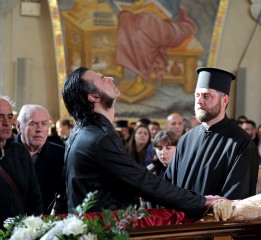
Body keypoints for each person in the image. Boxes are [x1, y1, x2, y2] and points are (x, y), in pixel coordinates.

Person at [62, 67, 227, 219]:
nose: (111, 78)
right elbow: (143, 182)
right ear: (93, 97)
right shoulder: (99, 138)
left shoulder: (80, 133)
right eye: (102, 78)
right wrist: (200, 201)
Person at [165, 67, 259, 200]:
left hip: (214, 220)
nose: (199, 101)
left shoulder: (241, 143)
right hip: (181, 220)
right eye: (197, 95)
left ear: (224, 100)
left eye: (206, 96)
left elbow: (236, 200)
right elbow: (170, 185)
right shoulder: (186, 140)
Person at [14, 104, 65, 214]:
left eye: (44, 124)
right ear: (18, 126)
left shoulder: (61, 155)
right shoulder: (5, 154)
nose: (39, 129)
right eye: (33, 124)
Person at [0, 96, 43, 226]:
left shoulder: (19, 152)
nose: (7, 123)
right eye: (0, 117)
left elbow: (34, 198)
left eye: (9, 116)